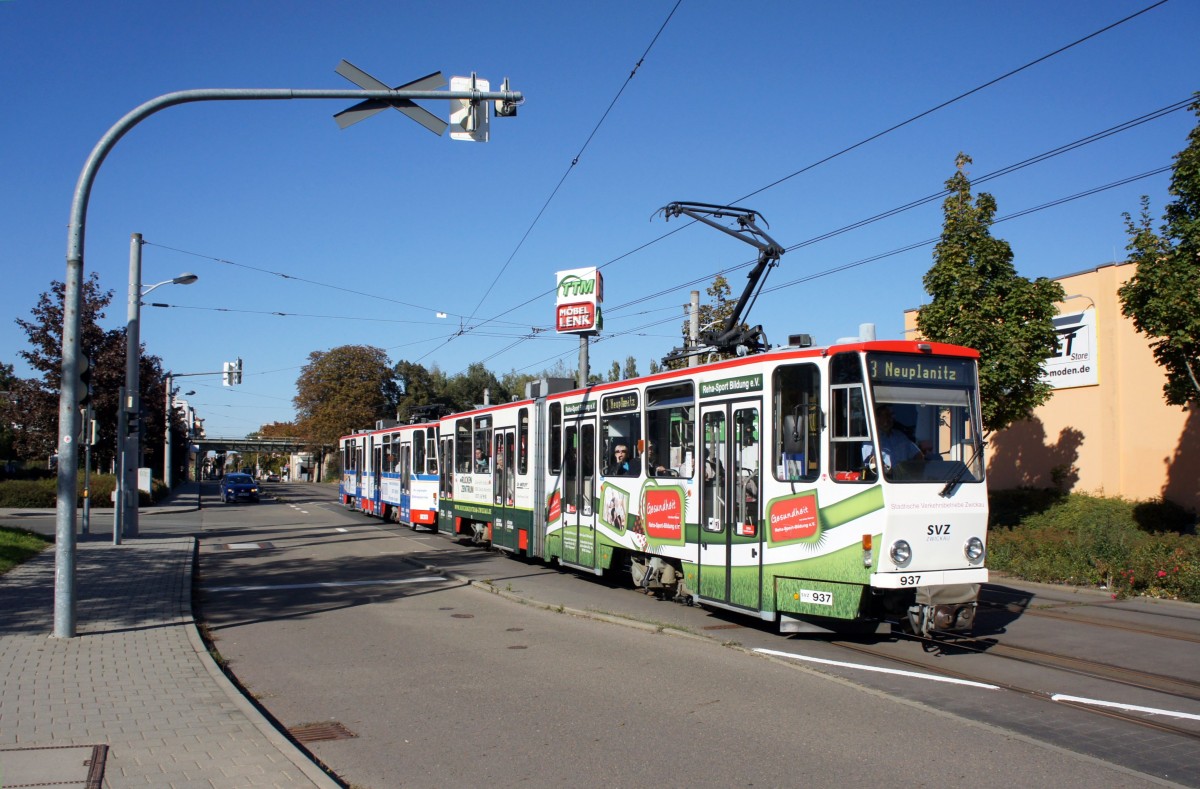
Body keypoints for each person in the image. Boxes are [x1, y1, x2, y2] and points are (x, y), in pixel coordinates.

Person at [863, 404, 923, 475]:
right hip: (885, 480)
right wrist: (891, 474)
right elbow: (872, 464)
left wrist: (914, 472)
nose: (890, 418)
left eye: (891, 415)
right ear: (877, 418)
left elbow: (918, 455)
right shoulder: (871, 439)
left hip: (905, 480)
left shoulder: (900, 436)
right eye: (886, 415)